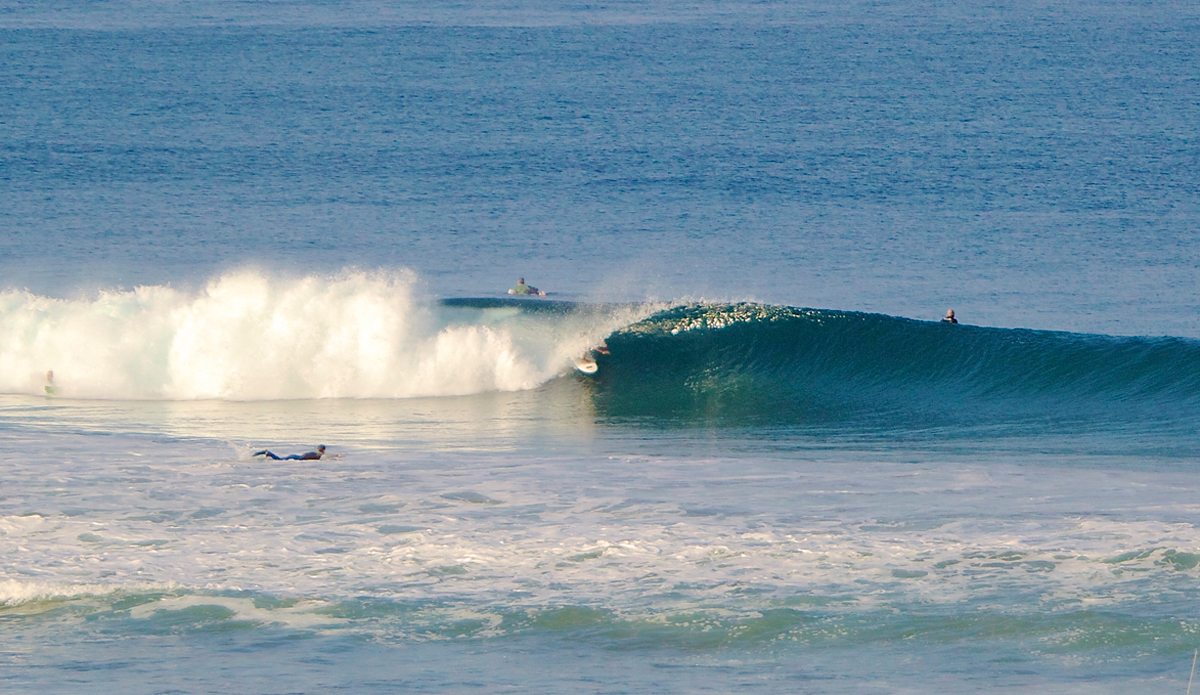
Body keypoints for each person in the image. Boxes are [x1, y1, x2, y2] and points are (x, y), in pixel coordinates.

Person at [254, 445, 327, 460]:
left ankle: (267, 453)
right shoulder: (319, 455)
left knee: (279, 459)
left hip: (295, 456)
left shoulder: (315, 453)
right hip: (296, 458)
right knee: (279, 460)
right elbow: (328, 456)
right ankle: (267, 452)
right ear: (323, 450)